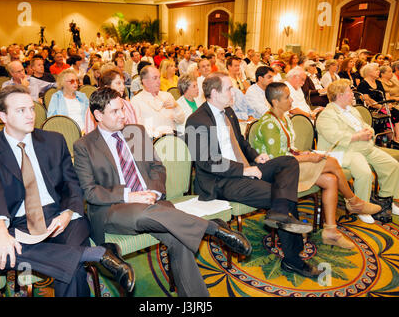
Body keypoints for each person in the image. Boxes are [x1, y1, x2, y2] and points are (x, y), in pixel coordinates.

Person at [73, 87, 251, 297]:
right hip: (113, 209)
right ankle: (213, 229)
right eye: (115, 112)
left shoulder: (135, 132)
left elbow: (157, 168)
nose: (122, 115)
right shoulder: (84, 145)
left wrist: (154, 193)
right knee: (142, 212)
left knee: (180, 239)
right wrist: (130, 196)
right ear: (98, 115)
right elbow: (91, 192)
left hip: (152, 203)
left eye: (122, 108)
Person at [0, 85, 135, 297]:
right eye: (21, 110)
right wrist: (0, 229)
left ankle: (85, 254)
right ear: (3, 115)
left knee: (69, 268)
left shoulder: (53, 140)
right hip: (21, 223)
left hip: (62, 217)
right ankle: (97, 254)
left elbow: (72, 184)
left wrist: (67, 214)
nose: (30, 115)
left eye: (31, 108)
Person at [185, 72, 320, 278]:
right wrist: (243, 170)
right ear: (214, 93)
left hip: (245, 170)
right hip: (221, 181)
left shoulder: (228, 111)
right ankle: (292, 260)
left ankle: (279, 212)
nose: (234, 92)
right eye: (229, 88)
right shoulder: (196, 120)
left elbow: (241, 142)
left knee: (288, 162)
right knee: (280, 194)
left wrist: (256, 158)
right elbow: (206, 161)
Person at [253, 82, 381, 246]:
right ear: (275, 102)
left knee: (331, 180)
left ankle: (330, 231)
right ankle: (354, 201)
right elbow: (278, 160)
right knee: (332, 162)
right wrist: (308, 158)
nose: (292, 100)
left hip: (290, 165)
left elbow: (289, 150)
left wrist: (303, 153)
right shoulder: (269, 123)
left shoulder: (283, 118)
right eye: (287, 97)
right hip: (278, 172)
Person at [316, 79, 399, 224]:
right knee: (365, 173)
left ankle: (386, 201)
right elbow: (334, 136)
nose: (352, 94)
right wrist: (357, 136)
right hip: (343, 151)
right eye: (349, 91)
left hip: (364, 147)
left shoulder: (352, 109)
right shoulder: (327, 114)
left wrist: (369, 131)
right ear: (340, 95)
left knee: (391, 165)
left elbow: (367, 125)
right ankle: (361, 207)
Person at [130, 65, 185, 138]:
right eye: (155, 78)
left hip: (173, 141)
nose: (159, 81)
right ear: (145, 81)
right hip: (151, 143)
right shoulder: (136, 101)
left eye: (159, 77)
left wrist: (176, 106)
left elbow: (181, 120)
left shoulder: (167, 96)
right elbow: (136, 130)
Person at [357, 63, 399, 147]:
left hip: (383, 106)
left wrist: (388, 104)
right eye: (376, 70)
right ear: (369, 72)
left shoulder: (378, 82)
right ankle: (395, 140)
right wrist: (381, 106)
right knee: (393, 115)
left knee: (398, 114)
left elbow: (383, 97)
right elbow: (368, 101)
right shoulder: (363, 84)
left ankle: (398, 139)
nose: (378, 71)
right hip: (372, 109)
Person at [84, 69, 136, 134]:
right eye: (118, 83)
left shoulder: (127, 105)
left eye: (123, 83)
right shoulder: (95, 107)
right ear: (107, 87)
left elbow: (135, 131)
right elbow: (90, 136)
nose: (123, 87)